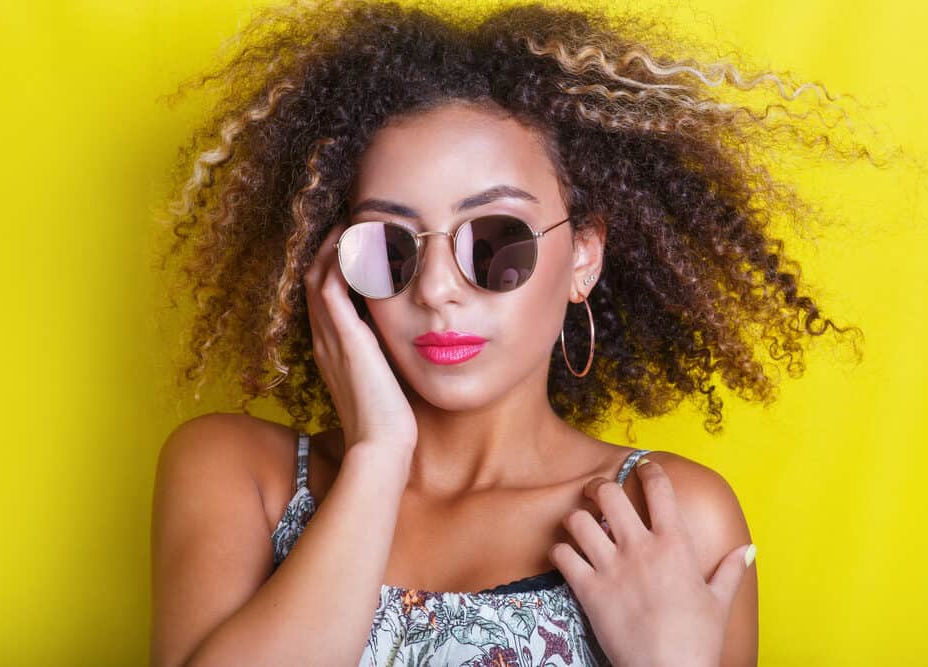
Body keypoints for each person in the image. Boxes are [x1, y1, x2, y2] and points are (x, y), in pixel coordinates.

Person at [149, 1, 870, 665]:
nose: (434, 288)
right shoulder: (241, 474)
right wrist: (379, 455)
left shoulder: (664, 519)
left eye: (494, 241)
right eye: (390, 245)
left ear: (583, 255)